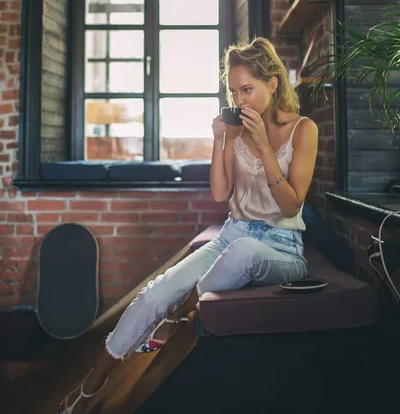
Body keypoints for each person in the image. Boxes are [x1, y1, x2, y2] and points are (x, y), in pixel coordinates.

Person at [57, 36, 318, 414]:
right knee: (155, 293)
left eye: (248, 89)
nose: (240, 100)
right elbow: (219, 192)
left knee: (242, 252)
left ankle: (182, 312)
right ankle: (91, 385)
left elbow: (292, 203)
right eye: (234, 92)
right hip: (233, 233)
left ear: (273, 83)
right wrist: (219, 139)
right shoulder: (235, 128)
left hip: (282, 247)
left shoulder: (303, 129)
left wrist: (263, 145)